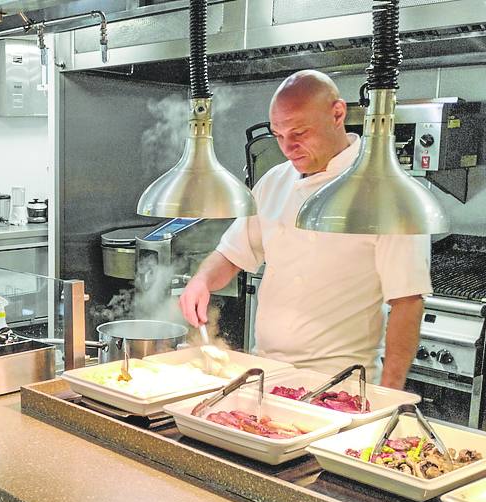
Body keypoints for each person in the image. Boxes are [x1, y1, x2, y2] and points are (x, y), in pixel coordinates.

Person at [179, 70, 431, 389]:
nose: (288, 147)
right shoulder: (274, 181)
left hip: (339, 384)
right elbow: (231, 254)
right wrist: (201, 281)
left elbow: (407, 302)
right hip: (265, 373)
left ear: (337, 114)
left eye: (299, 132)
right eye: (279, 135)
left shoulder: (387, 193)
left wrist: (389, 396)